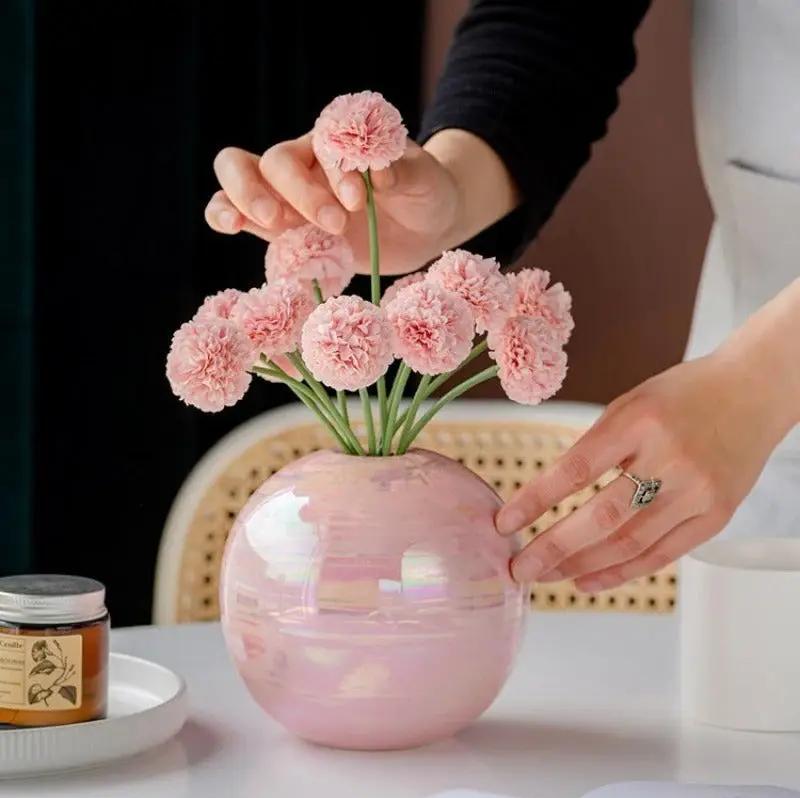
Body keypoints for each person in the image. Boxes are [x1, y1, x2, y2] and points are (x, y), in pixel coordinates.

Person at [204, 1, 800, 592]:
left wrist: (765, 376)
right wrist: (452, 192)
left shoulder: (749, 390)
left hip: (745, 398)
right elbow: (552, 19)